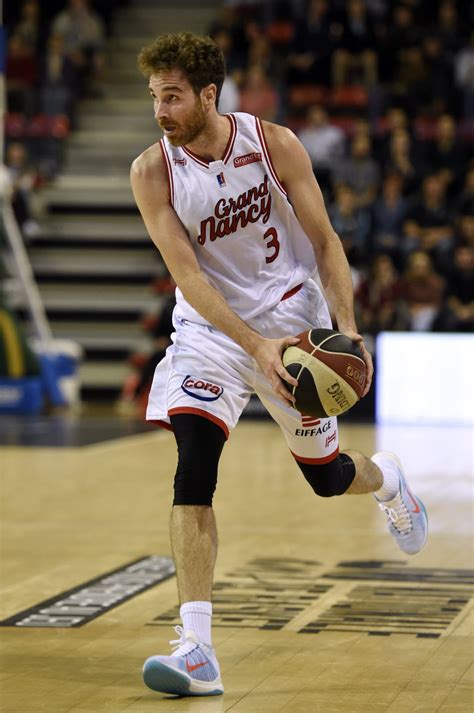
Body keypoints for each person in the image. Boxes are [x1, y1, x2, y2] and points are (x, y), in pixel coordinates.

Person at [130, 32, 428, 698]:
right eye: (155, 97)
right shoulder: (152, 171)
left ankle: (387, 481)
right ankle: (197, 649)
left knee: (325, 479)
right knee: (194, 462)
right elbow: (186, 273)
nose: (161, 111)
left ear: (210, 94)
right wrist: (250, 346)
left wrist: (347, 331)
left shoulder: (273, 144)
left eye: (173, 96)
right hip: (210, 334)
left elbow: (324, 240)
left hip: (297, 330)